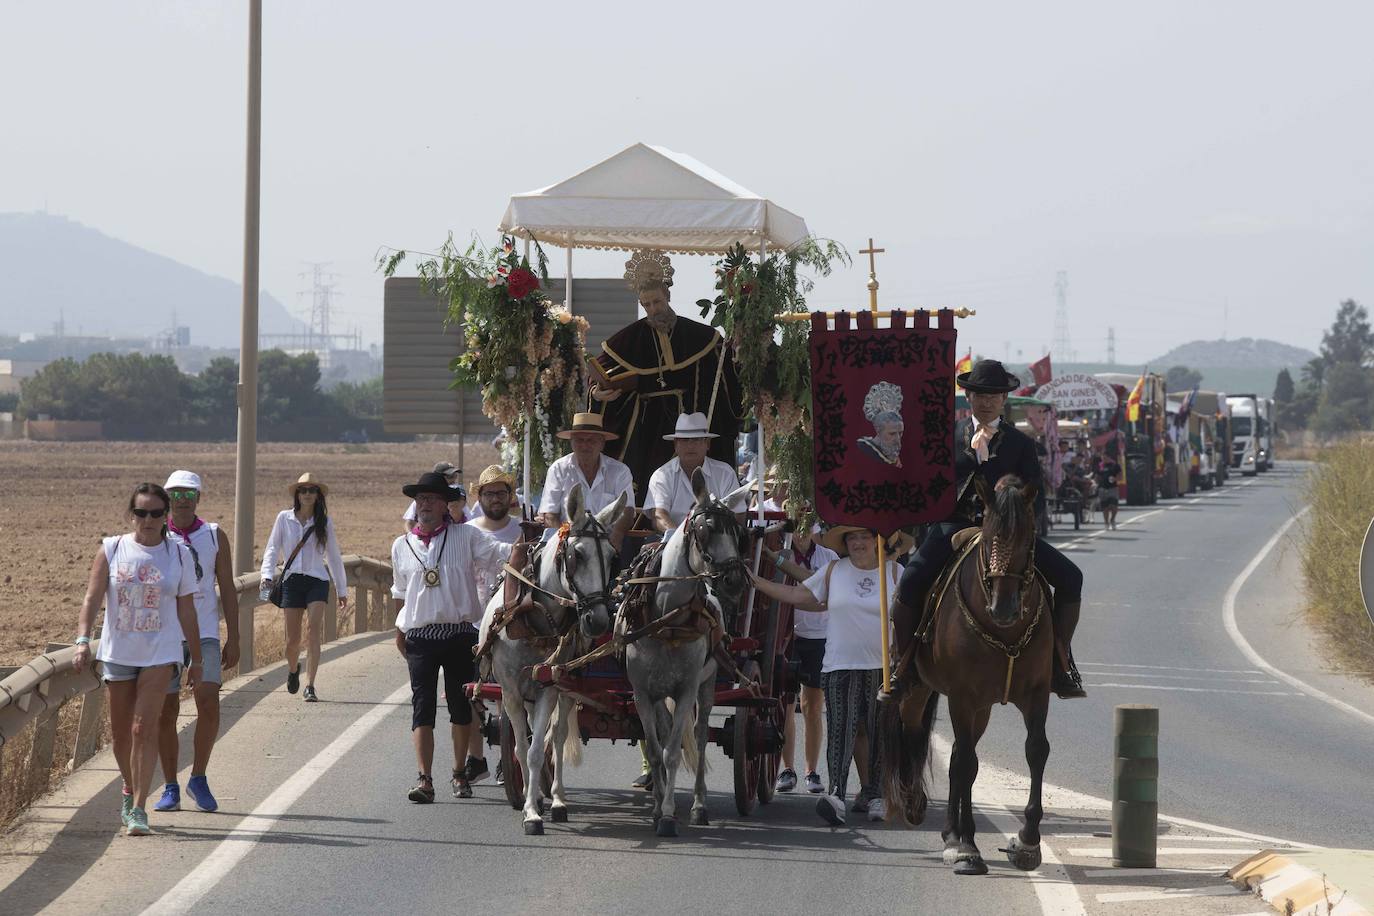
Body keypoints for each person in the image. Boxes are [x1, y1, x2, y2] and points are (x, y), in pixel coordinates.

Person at [890, 359, 1086, 699]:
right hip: (954, 526)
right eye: (980, 394)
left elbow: (1036, 495)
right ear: (968, 396)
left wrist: (1019, 522)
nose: (986, 401)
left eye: (994, 395)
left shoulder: (1021, 444)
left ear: (1004, 399)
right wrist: (971, 457)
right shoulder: (945, 438)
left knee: (1071, 577)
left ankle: (1060, 659)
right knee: (910, 580)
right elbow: (930, 485)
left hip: (1007, 533)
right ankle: (903, 665)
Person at [750, 526, 909, 825]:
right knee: (841, 730)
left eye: (865, 536)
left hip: (881, 667)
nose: (859, 542)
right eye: (852, 538)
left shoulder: (896, 573)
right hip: (839, 664)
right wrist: (757, 582)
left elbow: (910, 615)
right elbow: (798, 594)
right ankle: (836, 794)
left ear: (878, 540)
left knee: (878, 732)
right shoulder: (834, 570)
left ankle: (876, 795)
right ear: (845, 544)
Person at [72, 483, 201, 836]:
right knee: (121, 735)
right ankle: (128, 788)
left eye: (156, 513)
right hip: (119, 653)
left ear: (166, 516)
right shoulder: (112, 549)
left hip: (162, 653)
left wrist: (198, 658)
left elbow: (187, 609)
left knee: (143, 728)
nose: (148, 519)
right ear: (131, 514)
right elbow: (91, 598)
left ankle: (140, 807)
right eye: (141, 512)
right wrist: (83, 640)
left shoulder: (178, 554)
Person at [391, 471, 510, 803]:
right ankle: (425, 779)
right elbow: (400, 592)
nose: (424, 505)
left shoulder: (465, 536)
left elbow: (500, 553)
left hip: (460, 633)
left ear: (446, 504)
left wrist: (534, 541)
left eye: (431, 499)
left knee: (460, 708)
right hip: (420, 637)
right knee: (421, 707)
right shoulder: (402, 546)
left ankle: (459, 774)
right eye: (420, 499)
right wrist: (398, 629)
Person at [588, 249, 741, 504]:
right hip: (647, 423)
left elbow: (725, 374)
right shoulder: (628, 339)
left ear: (667, 296)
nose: (652, 309)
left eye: (657, 302)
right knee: (648, 476)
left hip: (688, 419)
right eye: (646, 305)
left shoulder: (700, 337)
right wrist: (597, 391)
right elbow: (599, 372)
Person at [151, 471, 241, 814]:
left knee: (208, 698)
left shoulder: (214, 535)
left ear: (199, 498)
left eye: (189, 494)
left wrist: (234, 636)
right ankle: (170, 785)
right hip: (168, 634)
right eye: (176, 494)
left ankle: (199, 777)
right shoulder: (157, 536)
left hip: (204, 630)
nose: (183, 500)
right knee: (167, 710)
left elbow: (228, 589)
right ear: (167, 499)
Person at [762, 518, 838, 796]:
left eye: (809, 524)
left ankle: (811, 770)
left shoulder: (828, 557)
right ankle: (787, 768)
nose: (803, 532)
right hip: (786, 637)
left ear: (816, 527)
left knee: (813, 706)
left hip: (818, 637)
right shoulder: (781, 553)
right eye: (798, 524)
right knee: (786, 704)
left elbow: (827, 595)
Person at [261, 473, 347, 703]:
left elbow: (335, 557)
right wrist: (266, 576)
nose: (307, 494)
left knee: (313, 630)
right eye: (303, 490)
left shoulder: (324, 522)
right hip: (291, 582)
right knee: (292, 641)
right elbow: (272, 548)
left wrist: (342, 589)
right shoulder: (284, 518)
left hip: (317, 581)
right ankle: (292, 669)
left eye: (312, 490)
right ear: (297, 494)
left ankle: (310, 685)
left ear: (318, 495)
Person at [645, 412, 742, 535]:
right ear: (675, 445)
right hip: (672, 543)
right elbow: (659, 515)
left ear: (707, 444)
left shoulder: (725, 473)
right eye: (685, 440)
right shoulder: (662, 475)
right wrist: (680, 538)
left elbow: (738, 512)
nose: (690, 445)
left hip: (717, 543)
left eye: (696, 440)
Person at [538, 413, 635, 534]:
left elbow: (628, 511)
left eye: (591, 440)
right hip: (570, 540)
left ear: (602, 443)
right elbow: (550, 514)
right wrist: (564, 540)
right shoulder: (558, 469)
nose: (585, 445)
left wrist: (616, 538)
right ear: (571, 443)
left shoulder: (620, 471)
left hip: (607, 541)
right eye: (579, 440)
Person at [403, 461, 467, 530]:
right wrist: (412, 538)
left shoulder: (459, 496)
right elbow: (409, 522)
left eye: (454, 475)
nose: (453, 479)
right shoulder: (421, 500)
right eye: (449, 476)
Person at [1096, 448, 1122, 530]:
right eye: (1102, 456)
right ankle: (1106, 522)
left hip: (1113, 488)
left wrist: (1115, 479)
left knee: (1114, 506)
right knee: (1105, 508)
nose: (1103, 458)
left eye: (1105, 456)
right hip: (1103, 488)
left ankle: (1113, 519)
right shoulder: (1100, 466)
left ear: (1109, 457)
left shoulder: (1115, 466)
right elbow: (1097, 476)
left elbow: (1120, 476)